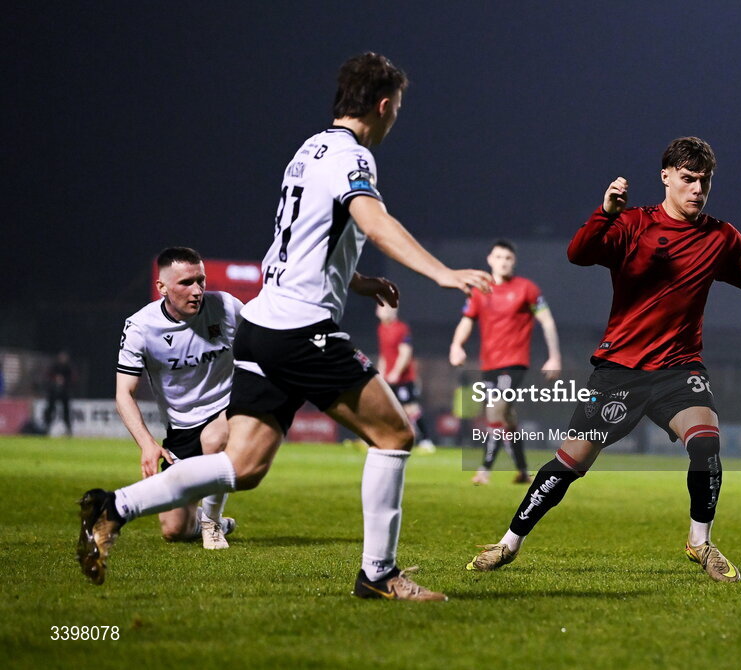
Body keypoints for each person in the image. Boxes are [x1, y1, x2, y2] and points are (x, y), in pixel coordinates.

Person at [77, 52, 492, 600]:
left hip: (261, 322)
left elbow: (303, 245)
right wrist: (441, 273)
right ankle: (379, 574)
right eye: (398, 110)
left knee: (242, 466)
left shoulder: (307, 150)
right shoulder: (353, 157)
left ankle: (114, 506)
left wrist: (358, 282)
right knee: (394, 434)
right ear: (385, 105)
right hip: (301, 331)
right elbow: (374, 220)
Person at [467, 137, 741, 582]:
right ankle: (508, 543)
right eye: (688, 180)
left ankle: (700, 543)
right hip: (620, 371)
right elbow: (579, 254)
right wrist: (605, 213)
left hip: (678, 369)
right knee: (570, 463)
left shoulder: (721, 237)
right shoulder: (633, 224)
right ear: (666, 176)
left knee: (706, 441)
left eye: (704, 182)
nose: (697, 190)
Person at [116, 247, 241, 550]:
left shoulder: (226, 307)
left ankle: (212, 522)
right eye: (186, 283)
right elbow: (124, 394)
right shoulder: (141, 328)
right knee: (174, 530)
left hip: (228, 409)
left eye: (201, 280)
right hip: (182, 429)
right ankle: (213, 522)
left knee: (214, 439)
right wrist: (147, 442)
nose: (197, 290)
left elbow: (261, 342)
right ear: (162, 288)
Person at [449, 240, 562, 484]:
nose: (504, 262)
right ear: (490, 259)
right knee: (507, 417)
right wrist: (456, 345)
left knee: (495, 410)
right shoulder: (480, 290)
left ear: (514, 262)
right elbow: (467, 320)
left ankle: (484, 470)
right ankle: (522, 471)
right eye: (499, 257)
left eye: (508, 258)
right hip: (489, 364)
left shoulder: (526, 289)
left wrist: (554, 356)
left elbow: (547, 321)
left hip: (515, 362)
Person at [376, 304, 435, 452]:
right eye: (380, 308)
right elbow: (384, 354)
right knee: (384, 409)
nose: (381, 311)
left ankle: (426, 441)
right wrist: (380, 373)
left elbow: (405, 353)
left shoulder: (401, 328)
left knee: (411, 408)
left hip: (403, 378)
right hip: (388, 378)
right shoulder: (381, 329)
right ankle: (380, 439)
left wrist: (396, 372)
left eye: (384, 308)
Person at [42, 350, 74, 436]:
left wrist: (64, 382)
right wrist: (55, 380)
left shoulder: (68, 368)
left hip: (64, 393)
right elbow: (47, 377)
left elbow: (73, 379)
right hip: (53, 392)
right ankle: (47, 428)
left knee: (66, 411)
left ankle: (68, 429)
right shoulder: (54, 367)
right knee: (50, 409)